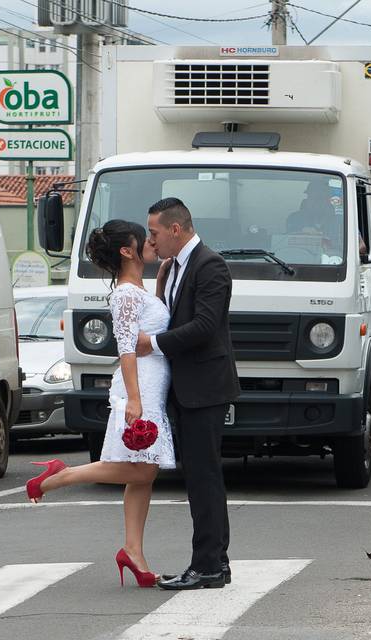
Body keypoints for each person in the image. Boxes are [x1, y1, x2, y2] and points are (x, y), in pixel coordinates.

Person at [24, 219, 176, 588]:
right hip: (139, 388)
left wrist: (159, 283)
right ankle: (57, 478)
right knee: (140, 470)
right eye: (144, 238)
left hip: (150, 387)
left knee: (144, 474)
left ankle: (133, 552)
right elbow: (126, 347)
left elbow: (150, 322)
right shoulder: (125, 294)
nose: (151, 241)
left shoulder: (139, 289)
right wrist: (135, 400)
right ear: (128, 251)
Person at [136, 197, 240, 591]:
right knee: (200, 477)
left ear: (175, 229)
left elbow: (205, 326)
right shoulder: (174, 267)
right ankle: (216, 564)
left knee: (204, 478)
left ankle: (208, 565)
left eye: (155, 232)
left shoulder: (209, 265)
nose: (152, 239)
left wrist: (153, 343)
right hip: (188, 388)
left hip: (205, 389)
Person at [286, 179, 342, 250]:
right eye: (312, 197)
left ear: (328, 200)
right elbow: (285, 243)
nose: (316, 202)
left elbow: (360, 245)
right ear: (307, 199)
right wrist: (301, 233)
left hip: (333, 260)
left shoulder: (342, 222)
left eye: (320, 198)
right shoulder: (295, 219)